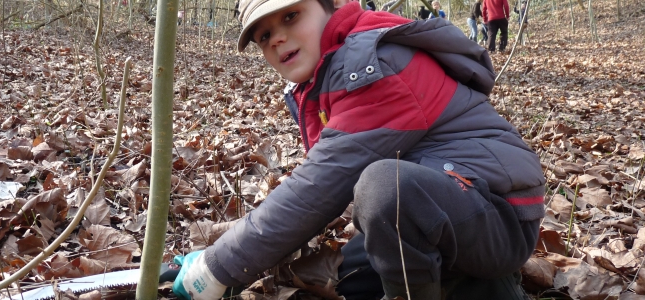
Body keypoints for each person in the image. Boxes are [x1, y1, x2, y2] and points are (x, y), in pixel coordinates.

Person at [172, 0, 545, 299]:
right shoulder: (331, 73)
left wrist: (216, 268)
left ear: (332, 5)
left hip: (497, 216)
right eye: (263, 34)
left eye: (291, 16)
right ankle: (467, 283)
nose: (278, 38)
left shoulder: (375, 66)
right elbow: (317, 191)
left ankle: (483, 282)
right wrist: (225, 259)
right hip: (447, 205)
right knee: (341, 275)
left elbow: (315, 191)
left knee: (386, 188)